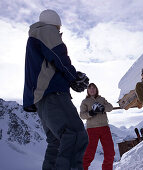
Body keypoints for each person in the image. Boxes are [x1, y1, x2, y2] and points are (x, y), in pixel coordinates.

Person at [23, 9, 89, 170]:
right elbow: (58, 56)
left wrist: (71, 77)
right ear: (56, 24)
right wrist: (73, 77)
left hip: (41, 99)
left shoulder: (34, 37)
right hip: (53, 94)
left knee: (57, 142)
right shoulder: (46, 30)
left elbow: (49, 64)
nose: (59, 33)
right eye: (59, 29)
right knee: (75, 135)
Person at [80, 83, 115, 170]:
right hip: (92, 130)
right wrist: (90, 113)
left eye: (94, 88)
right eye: (90, 88)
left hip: (104, 128)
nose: (92, 90)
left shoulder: (102, 99)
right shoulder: (85, 101)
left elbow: (110, 107)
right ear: (88, 90)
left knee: (110, 152)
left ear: (96, 89)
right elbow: (82, 115)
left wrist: (102, 108)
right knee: (89, 154)